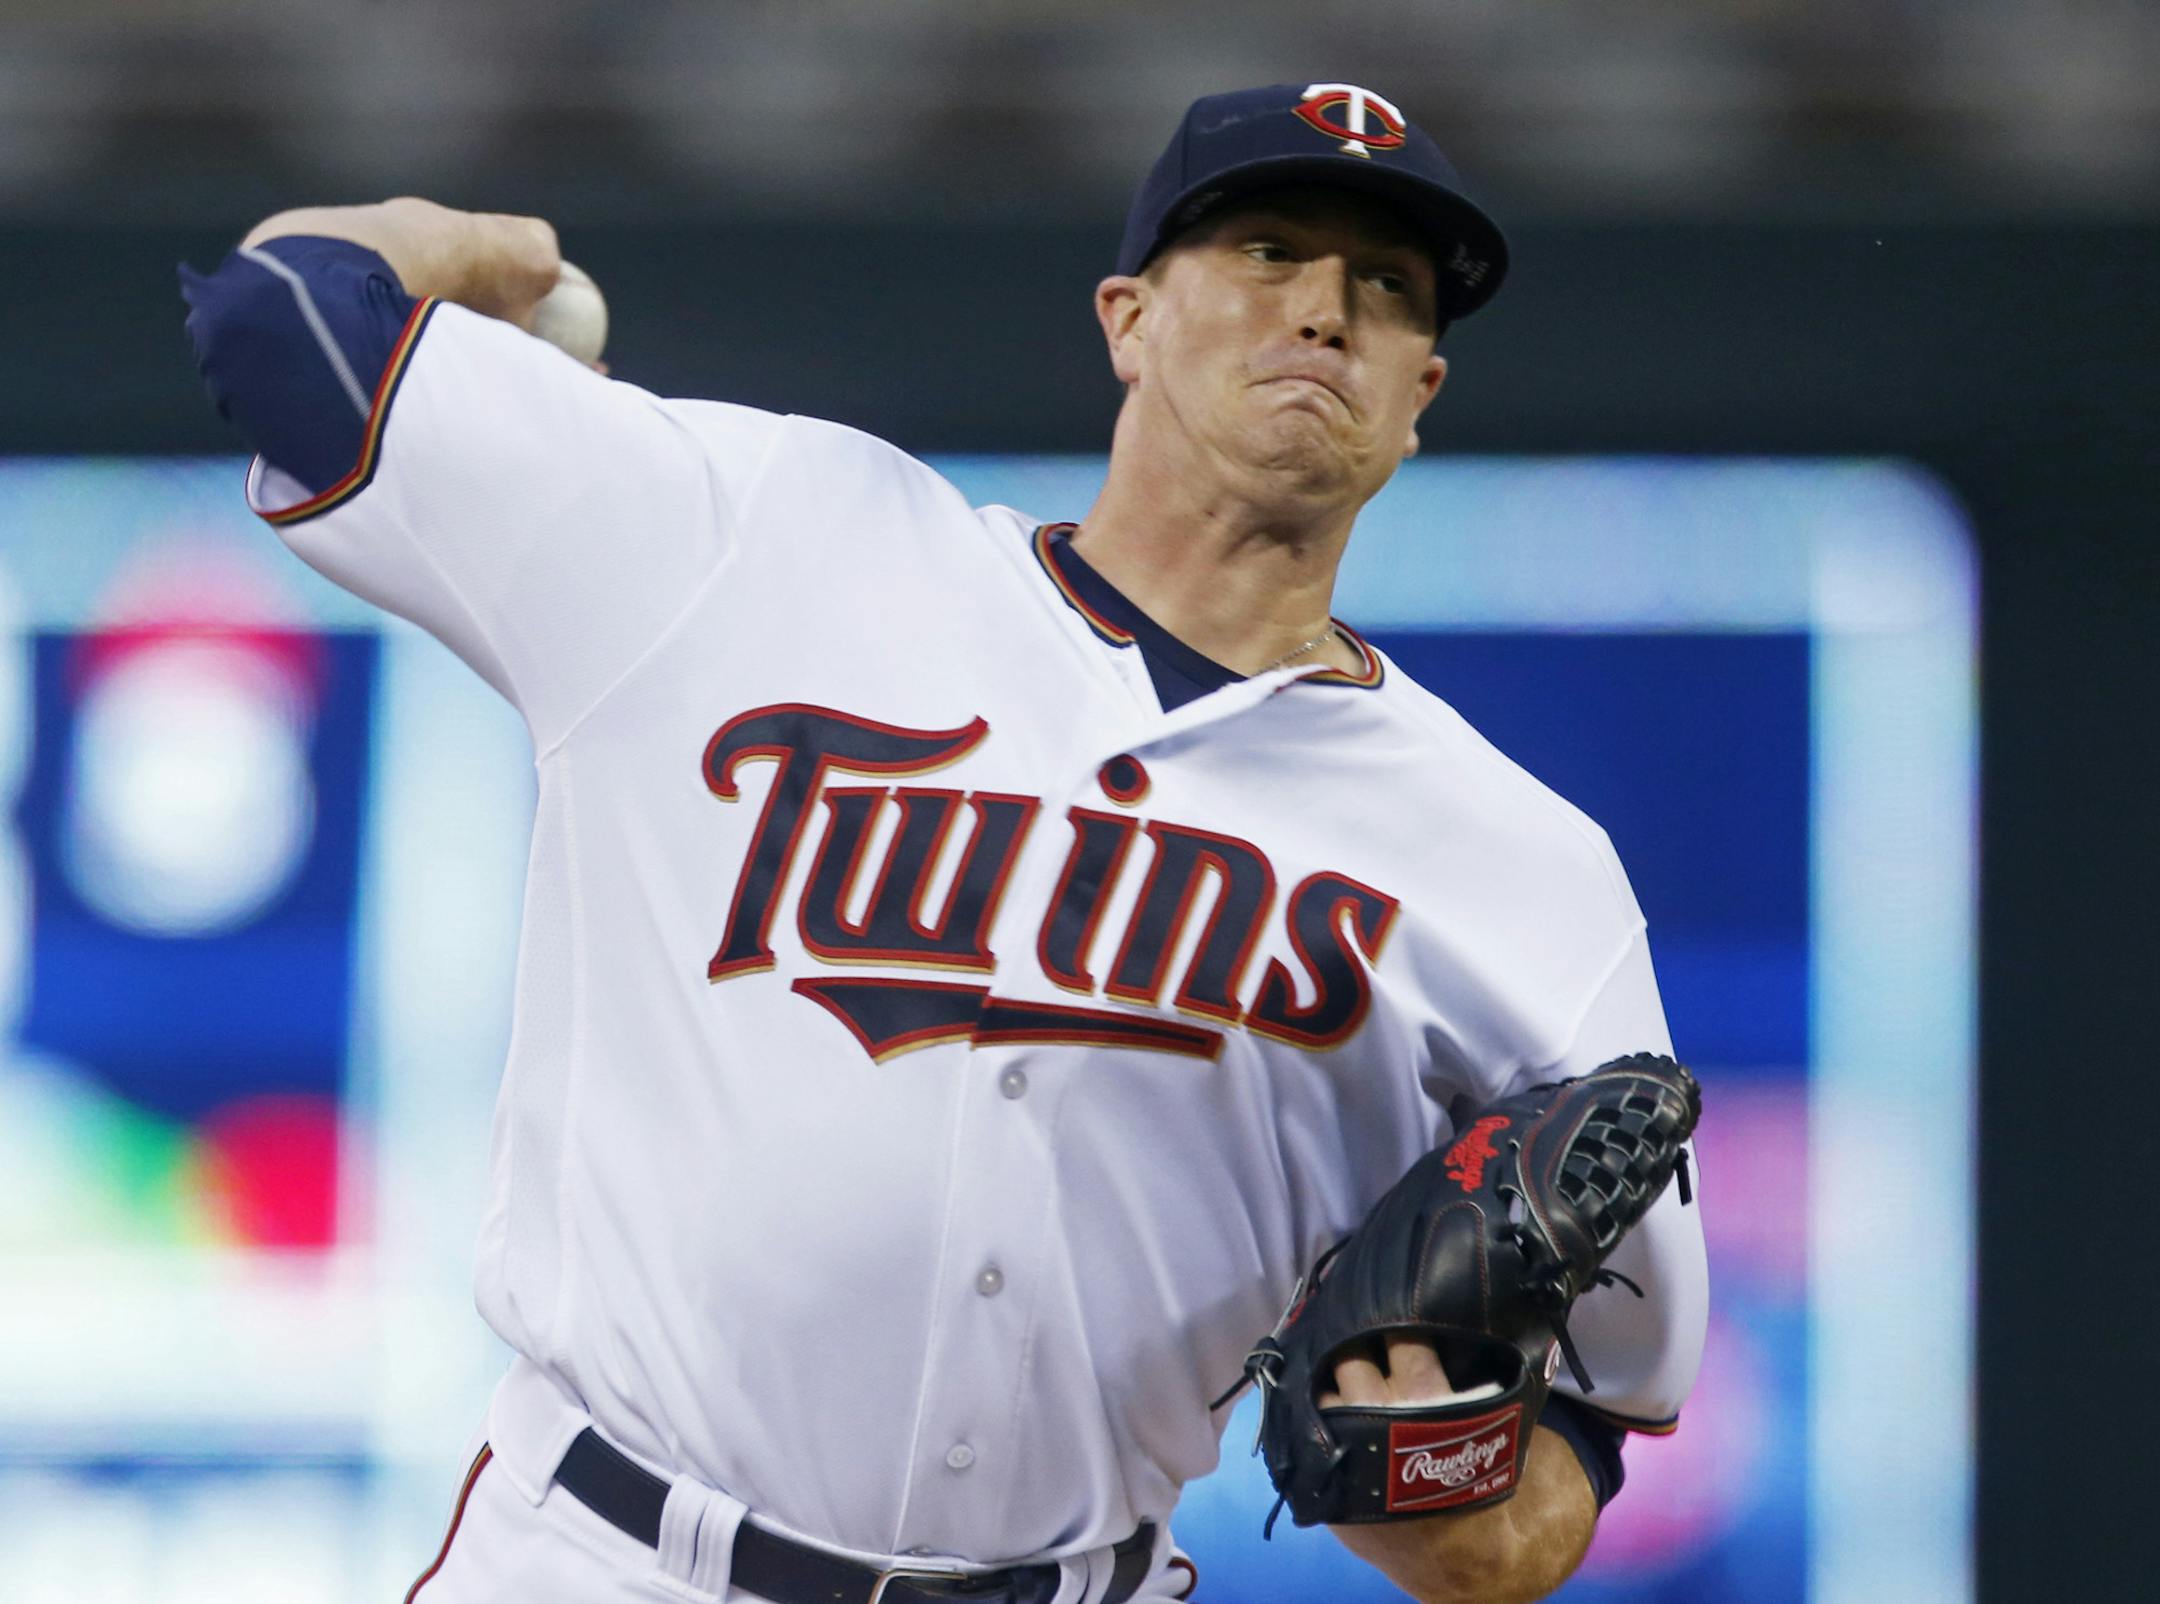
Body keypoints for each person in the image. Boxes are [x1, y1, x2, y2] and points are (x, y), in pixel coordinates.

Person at [181, 81, 1707, 1604]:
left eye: (1386, 290)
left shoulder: (1522, 873)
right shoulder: (761, 539)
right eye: (1266, 252)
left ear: (1420, 391)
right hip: (607, 1555)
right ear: (1127, 317)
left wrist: (1445, 1507)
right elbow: (281, 320)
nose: (1324, 311)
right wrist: (499, 250)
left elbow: (1590, 1430)